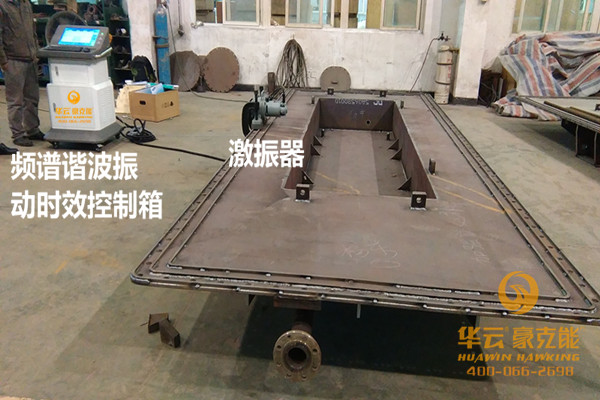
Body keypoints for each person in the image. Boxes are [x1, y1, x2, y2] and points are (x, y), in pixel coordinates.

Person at [0, 0, 44, 147]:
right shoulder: (2, 6)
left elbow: (32, 29)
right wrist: (3, 60)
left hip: (30, 58)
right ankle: (18, 134)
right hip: (13, 60)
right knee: (15, 101)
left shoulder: (26, 4)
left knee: (32, 98)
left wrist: (36, 51)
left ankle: (32, 129)